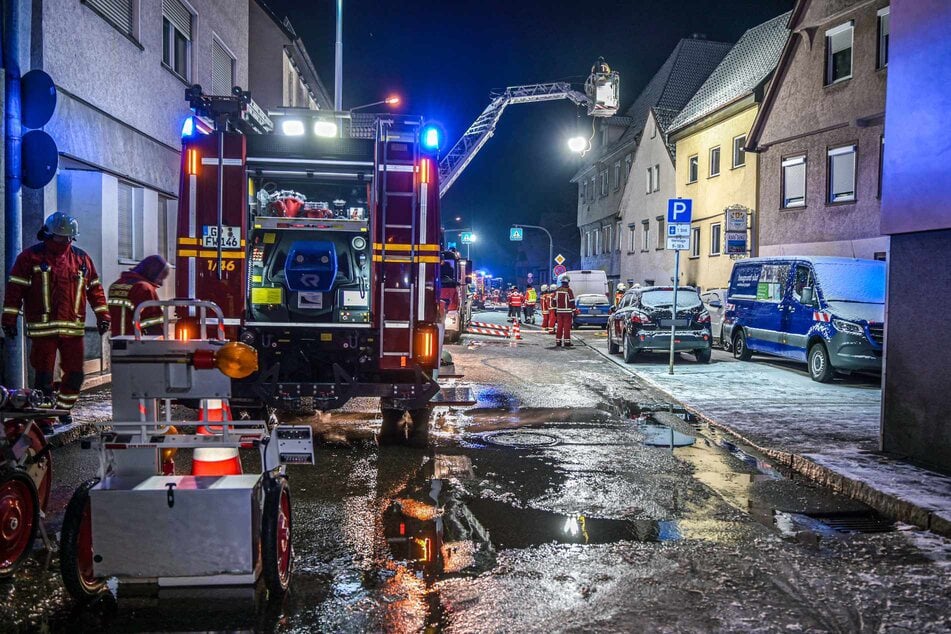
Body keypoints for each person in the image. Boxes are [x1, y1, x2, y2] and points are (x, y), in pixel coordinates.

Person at [2, 212, 110, 431]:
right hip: (43, 329)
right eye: (60, 238)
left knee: (75, 375)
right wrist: (9, 320)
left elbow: (95, 289)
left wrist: (103, 316)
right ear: (48, 234)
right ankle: (44, 420)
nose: (64, 242)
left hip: (73, 329)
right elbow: (15, 290)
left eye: (68, 238)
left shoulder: (81, 259)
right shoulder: (30, 258)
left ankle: (62, 410)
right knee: (43, 378)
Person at [108, 255, 171, 337]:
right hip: (136, 343)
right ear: (153, 272)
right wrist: (161, 343)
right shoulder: (144, 288)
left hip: (116, 341)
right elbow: (152, 323)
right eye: (160, 278)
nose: (161, 283)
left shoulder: (116, 285)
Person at [553, 276, 576, 347]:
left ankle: (558, 341)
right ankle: (567, 342)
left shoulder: (557, 290)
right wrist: (574, 310)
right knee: (567, 327)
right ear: (568, 282)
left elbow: (554, 301)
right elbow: (572, 301)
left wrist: (555, 309)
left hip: (559, 311)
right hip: (567, 312)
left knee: (559, 326)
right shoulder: (569, 290)